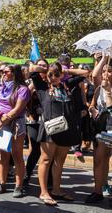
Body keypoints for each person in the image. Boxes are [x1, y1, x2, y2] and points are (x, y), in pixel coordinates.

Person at [29, 62, 89, 205]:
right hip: (50, 129)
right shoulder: (42, 86)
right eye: (51, 75)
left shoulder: (67, 84)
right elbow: (31, 69)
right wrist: (46, 69)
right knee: (45, 160)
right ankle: (44, 192)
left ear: (61, 75)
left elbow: (86, 73)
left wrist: (66, 70)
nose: (53, 77)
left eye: (57, 74)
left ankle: (56, 190)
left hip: (66, 128)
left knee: (59, 161)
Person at [0, 65, 30, 198]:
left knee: (17, 155)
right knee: (3, 155)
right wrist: (0, 116)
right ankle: (2, 183)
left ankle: (18, 186)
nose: (2, 73)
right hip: (2, 122)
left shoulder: (22, 89)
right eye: (1, 71)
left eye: (6, 71)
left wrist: (2, 121)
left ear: (14, 74)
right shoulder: (0, 88)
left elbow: (17, 110)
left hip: (15, 124)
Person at [86, 54, 112, 203]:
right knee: (98, 160)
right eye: (104, 71)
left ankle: (105, 184)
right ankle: (98, 191)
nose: (105, 74)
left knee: (107, 159)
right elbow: (92, 105)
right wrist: (92, 110)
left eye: (109, 71)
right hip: (101, 128)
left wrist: (109, 92)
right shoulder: (98, 89)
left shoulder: (108, 89)